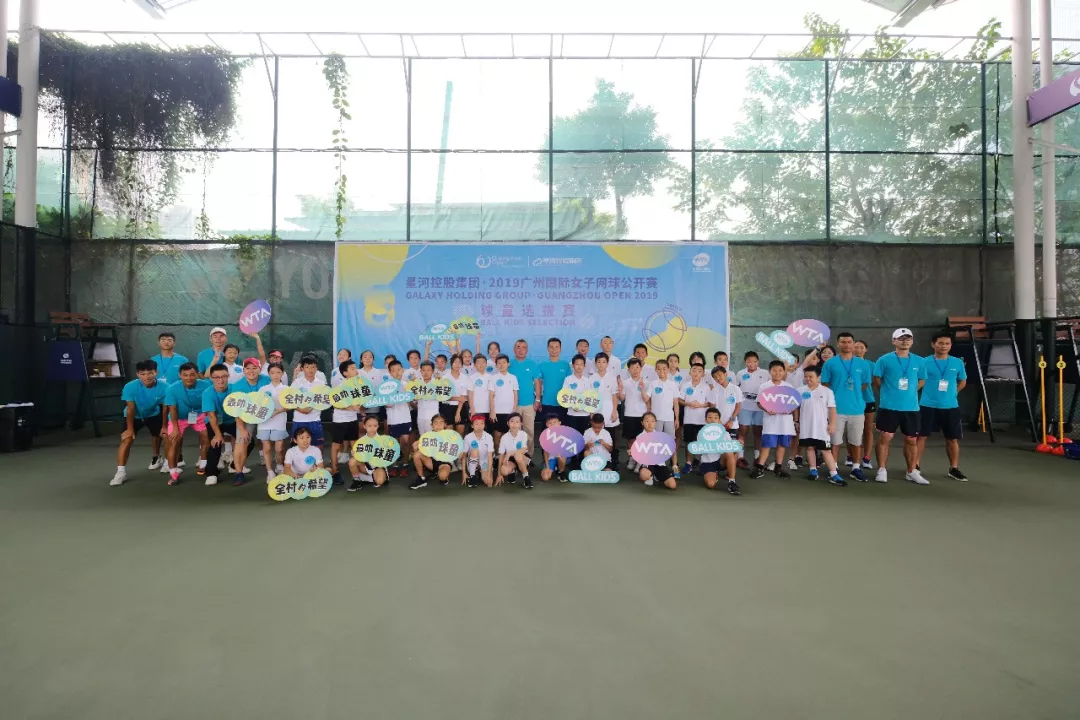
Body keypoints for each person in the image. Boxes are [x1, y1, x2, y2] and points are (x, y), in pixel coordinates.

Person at [873, 328, 927, 485]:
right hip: (888, 407)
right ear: (893, 341)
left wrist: (911, 391)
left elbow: (922, 380)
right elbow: (877, 379)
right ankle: (881, 470)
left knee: (911, 440)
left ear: (912, 341)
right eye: (901, 338)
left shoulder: (919, 361)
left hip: (911, 408)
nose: (905, 341)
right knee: (885, 438)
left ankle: (911, 471)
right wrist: (888, 393)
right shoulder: (884, 360)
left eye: (908, 338)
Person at [820, 332, 873, 483]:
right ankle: (834, 469)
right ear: (838, 344)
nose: (847, 345)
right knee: (835, 441)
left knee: (856, 441)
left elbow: (864, 384)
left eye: (849, 342)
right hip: (836, 410)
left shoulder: (863, 364)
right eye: (843, 342)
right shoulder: (830, 363)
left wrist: (852, 394)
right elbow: (824, 384)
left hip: (857, 409)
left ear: (853, 344)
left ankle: (856, 468)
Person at [916, 331, 968, 481]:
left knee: (952, 439)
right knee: (921, 437)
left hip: (950, 407)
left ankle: (954, 468)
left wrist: (953, 393)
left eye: (947, 343)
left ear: (951, 345)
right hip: (927, 406)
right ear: (933, 344)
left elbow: (962, 381)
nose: (944, 346)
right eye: (940, 343)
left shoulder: (957, 363)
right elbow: (918, 381)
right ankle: (915, 466)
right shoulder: (924, 362)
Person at [111, 360, 169, 486]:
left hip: (153, 414)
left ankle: (158, 458)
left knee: (161, 435)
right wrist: (130, 429)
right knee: (127, 439)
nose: (147, 376)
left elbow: (165, 408)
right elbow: (130, 408)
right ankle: (120, 472)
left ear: (156, 372)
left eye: (150, 373)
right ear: (138, 374)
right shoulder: (130, 387)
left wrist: (165, 426)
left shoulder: (165, 387)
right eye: (143, 374)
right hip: (134, 416)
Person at [795, 366, 845, 485]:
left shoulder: (827, 391)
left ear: (818, 377)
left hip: (822, 427)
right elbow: (796, 407)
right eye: (806, 376)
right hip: (806, 426)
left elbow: (832, 409)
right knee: (810, 448)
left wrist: (832, 424)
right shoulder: (800, 391)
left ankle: (834, 474)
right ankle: (813, 471)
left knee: (826, 450)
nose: (808, 379)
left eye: (811, 376)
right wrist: (796, 421)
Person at [162, 362, 210, 484]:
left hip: (199, 415)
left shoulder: (206, 385)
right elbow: (172, 409)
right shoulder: (172, 389)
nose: (189, 378)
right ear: (180, 375)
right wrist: (175, 428)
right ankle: (173, 473)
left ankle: (203, 465)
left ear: (197, 374)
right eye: (185, 375)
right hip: (178, 418)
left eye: (192, 374)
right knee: (174, 441)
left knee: (206, 436)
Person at [752, 360, 795, 480]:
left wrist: (789, 409)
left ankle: (778, 467)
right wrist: (767, 409)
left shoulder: (788, 386)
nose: (777, 373)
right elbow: (759, 402)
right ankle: (760, 467)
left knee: (782, 445)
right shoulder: (764, 386)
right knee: (767, 445)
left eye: (780, 370)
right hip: (770, 421)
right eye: (774, 370)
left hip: (785, 422)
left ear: (784, 372)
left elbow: (794, 403)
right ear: (769, 371)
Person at [201, 363, 240, 486]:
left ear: (228, 376)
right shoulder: (207, 393)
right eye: (216, 377)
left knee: (248, 441)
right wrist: (218, 435)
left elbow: (240, 410)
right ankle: (211, 474)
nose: (220, 380)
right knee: (216, 443)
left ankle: (234, 465)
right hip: (215, 422)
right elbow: (212, 416)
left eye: (223, 376)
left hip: (232, 421)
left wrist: (242, 430)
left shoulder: (235, 389)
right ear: (211, 378)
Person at [328, 359, 363, 486]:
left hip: (352, 419)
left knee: (354, 444)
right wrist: (350, 407)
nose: (356, 371)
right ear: (345, 373)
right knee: (336, 446)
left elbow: (360, 404)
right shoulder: (341, 387)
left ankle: (359, 469)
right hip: (340, 420)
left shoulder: (359, 387)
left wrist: (360, 407)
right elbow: (335, 404)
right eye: (352, 369)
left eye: (355, 368)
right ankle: (335, 470)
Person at [735, 351, 770, 470]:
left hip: (760, 407)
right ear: (745, 362)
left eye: (755, 361)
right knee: (742, 431)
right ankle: (740, 458)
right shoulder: (740, 373)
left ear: (758, 362)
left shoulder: (765, 373)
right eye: (749, 362)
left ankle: (757, 458)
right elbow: (736, 389)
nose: (752, 364)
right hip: (744, 406)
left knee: (758, 432)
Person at [257, 362, 290, 479]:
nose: (275, 375)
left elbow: (290, 406)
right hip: (264, 422)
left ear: (283, 373)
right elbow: (258, 404)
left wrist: (278, 411)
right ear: (269, 374)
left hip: (279, 421)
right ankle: (270, 472)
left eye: (278, 372)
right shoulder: (263, 389)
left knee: (279, 448)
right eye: (272, 373)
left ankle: (280, 466)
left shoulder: (287, 389)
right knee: (266, 448)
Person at [508, 339, 541, 453]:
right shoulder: (509, 364)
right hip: (513, 405)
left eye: (524, 347)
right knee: (514, 432)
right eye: (518, 347)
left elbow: (537, 382)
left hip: (529, 404)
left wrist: (537, 399)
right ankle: (514, 457)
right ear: (514, 350)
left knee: (529, 432)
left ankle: (528, 456)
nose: (521, 350)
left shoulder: (532, 364)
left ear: (527, 350)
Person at [679, 363, 712, 476]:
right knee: (689, 442)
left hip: (702, 420)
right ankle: (688, 464)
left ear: (703, 374)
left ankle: (703, 464)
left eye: (699, 371)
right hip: (689, 420)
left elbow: (710, 403)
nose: (696, 373)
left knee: (702, 443)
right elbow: (680, 400)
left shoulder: (706, 387)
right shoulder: (685, 385)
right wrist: (688, 403)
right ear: (690, 372)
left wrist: (700, 405)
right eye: (694, 370)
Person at [699, 406, 740, 495]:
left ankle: (732, 482)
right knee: (710, 485)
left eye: (715, 418)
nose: (713, 420)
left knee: (731, 452)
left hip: (721, 460)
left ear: (719, 420)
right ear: (706, 420)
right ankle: (714, 474)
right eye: (710, 417)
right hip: (708, 462)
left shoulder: (725, 433)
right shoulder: (701, 433)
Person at [591, 353, 623, 467]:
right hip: (596, 412)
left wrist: (614, 411)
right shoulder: (592, 378)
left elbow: (614, 396)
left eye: (604, 362)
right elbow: (590, 397)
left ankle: (613, 462)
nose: (601, 364)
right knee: (597, 437)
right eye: (599, 362)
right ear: (595, 364)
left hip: (609, 412)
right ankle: (596, 461)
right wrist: (591, 412)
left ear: (607, 363)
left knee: (611, 438)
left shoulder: (612, 378)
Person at [412, 414, 459, 489]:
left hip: (445, 463)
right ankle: (421, 478)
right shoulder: (428, 435)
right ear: (432, 425)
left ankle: (443, 476)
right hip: (431, 462)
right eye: (435, 423)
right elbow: (417, 445)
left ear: (445, 425)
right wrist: (415, 446)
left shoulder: (450, 435)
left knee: (442, 477)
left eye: (441, 422)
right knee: (417, 454)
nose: (438, 425)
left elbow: (457, 449)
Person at [385, 360, 414, 478]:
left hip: (405, 417)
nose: (397, 372)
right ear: (390, 372)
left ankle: (405, 464)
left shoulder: (407, 385)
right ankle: (395, 466)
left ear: (403, 370)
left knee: (406, 442)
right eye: (394, 371)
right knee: (394, 443)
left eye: (399, 370)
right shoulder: (386, 387)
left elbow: (411, 400)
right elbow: (386, 403)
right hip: (393, 419)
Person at [622, 358, 651, 472]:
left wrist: (642, 388)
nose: (635, 370)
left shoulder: (647, 383)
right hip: (629, 414)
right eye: (632, 368)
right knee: (631, 439)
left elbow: (646, 399)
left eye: (637, 367)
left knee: (642, 440)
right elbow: (622, 398)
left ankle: (640, 461)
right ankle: (632, 459)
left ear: (641, 368)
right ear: (629, 369)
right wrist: (620, 389)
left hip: (642, 415)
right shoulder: (625, 383)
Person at [292, 355, 327, 448]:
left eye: (313, 367)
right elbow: (290, 401)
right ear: (302, 369)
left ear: (316, 368)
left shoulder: (321, 384)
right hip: (299, 420)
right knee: (298, 447)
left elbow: (325, 401)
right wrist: (301, 410)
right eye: (307, 367)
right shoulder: (297, 382)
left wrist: (312, 406)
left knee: (318, 447)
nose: (310, 370)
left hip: (315, 420)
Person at [488, 353, 520, 451]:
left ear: (508, 364)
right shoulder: (493, 378)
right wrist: (492, 412)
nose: (501, 365)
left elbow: (515, 395)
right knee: (497, 435)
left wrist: (514, 410)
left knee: (508, 436)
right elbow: (491, 396)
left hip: (510, 412)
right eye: (499, 363)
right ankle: (497, 456)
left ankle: (507, 457)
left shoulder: (513, 377)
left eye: (504, 362)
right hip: (497, 412)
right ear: (496, 365)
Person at [349, 415, 389, 491]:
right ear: (364, 426)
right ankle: (357, 481)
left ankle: (365, 478)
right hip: (365, 466)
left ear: (378, 426)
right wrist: (355, 453)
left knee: (380, 481)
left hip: (377, 467)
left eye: (375, 426)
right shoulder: (361, 440)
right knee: (352, 461)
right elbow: (356, 454)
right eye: (369, 426)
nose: (372, 428)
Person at [637, 412, 676, 490]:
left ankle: (656, 476)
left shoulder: (661, 436)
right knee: (644, 475)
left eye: (652, 421)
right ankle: (650, 476)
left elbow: (671, 451)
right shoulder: (639, 437)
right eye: (647, 421)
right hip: (647, 464)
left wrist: (675, 468)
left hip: (660, 464)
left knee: (672, 485)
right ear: (642, 423)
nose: (650, 424)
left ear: (655, 423)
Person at [537, 337, 571, 423]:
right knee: (547, 429)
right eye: (551, 347)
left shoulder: (565, 365)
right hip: (547, 402)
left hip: (563, 403)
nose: (554, 350)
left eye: (557, 347)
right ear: (548, 349)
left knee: (562, 428)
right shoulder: (542, 365)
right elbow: (538, 384)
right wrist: (538, 400)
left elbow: (570, 385)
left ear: (560, 349)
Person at [853, 339, 876, 470]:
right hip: (852, 401)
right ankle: (851, 456)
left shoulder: (871, 365)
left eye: (862, 347)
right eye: (856, 347)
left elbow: (874, 381)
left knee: (867, 429)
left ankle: (866, 457)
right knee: (851, 430)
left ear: (866, 349)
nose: (859, 350)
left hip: (868, 400)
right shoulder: (847, 363)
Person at [496, 412, 533, 489]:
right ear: (508, 423)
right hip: (511, 459)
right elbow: (501, 455)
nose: (514, 424)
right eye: (512, 421)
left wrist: (510, 453)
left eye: (517, 422)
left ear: (520, 424)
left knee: (518, 456)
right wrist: (499, 474)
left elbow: (524, 449)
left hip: (522, 457)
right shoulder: (504, 437)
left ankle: (526, 477)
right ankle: (512, 471)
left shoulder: (523, 434)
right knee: (504, 471)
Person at [648, 359, 680, 439]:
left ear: (668, 369)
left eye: (664, 369)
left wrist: (677, 419)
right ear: (656, 370)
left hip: (669, 418)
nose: (661, 371)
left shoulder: (673, 384)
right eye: (659, 369)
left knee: (670, 440)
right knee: (655, 440)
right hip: (655, 417)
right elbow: (647, 400)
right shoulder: (652, 384)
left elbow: (676, 403)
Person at [561, 354, 593, 434]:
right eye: (577, 364)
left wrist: (591, 412)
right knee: (573, 437)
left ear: (584, 366)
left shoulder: (587, 380)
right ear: (573, 365)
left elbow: (590, 397)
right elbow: (565, 396)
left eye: (581, 364)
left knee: (584, 437)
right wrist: (573, 406)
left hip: (585, 414)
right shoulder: (568, 379)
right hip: (572, 414)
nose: (579, 367)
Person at [464, 415, 496, 487]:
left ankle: (479, 472)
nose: (479, 426)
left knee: (488, 482)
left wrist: (488, 475)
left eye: (482, 423)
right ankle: (472, 475)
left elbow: (490, 456)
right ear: (472, 426)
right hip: (473, 461)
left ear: (484, 425)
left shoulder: (488, 437)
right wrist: (464, 473)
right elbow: (464, 455)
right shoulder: (468, 437)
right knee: (475, 451)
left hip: (484, 463)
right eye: (477, 423)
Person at [442, 354, 470, 436]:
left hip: (461, 407)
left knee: (460, 432)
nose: (457, 364)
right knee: (448, 433)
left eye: (459, 362)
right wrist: (458, 398)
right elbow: (444, 397)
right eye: (455, 362)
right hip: (447, 408)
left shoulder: (465, 378)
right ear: (451, 364)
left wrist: (458, 412)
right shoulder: (445, 378)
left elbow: (463, 397)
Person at [538, 414, 569, 483]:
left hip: (563, 457)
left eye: (555, 422)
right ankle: (553, 468)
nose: (552, 425)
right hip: (551, 458)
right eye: (550, 423)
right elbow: (545, 453)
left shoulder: (565, 433)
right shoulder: (545, 435)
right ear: (546, 424)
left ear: (559, 423)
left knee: (561, 457)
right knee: (545, 478)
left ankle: (561, 472)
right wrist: (547, 467)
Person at [414, 361, 441, 437]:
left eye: (428, 370)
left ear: (433, 371)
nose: (426, 373)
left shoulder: (437, 383)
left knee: (433, 438)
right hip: (421, 416)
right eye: (423, 370)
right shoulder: (417, 383)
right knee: (423, 438)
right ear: (420, 371)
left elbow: (442, 397)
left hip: (433, 417)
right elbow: (414, 397)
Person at [467, 354, 492, 432]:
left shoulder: (491, 377)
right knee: (475, 433)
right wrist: (472, 410)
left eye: (483, 362)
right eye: (478, 362)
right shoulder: (471, 378)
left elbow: (493, 395)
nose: (481, 364)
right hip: (476, 411)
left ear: (486, 364)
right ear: (474, 365)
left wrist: (492, 410)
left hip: (488, 410)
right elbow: (470, 395)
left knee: (488, 432)